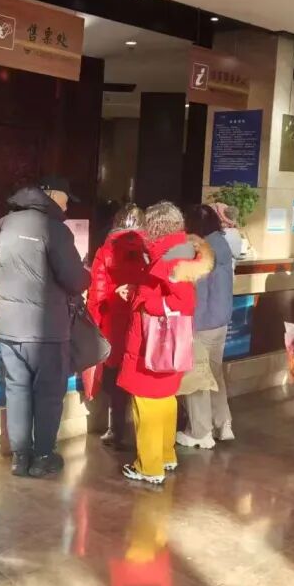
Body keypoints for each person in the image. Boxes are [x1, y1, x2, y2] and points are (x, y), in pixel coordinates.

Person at [0, 176, 90, 479]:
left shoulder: (3, 224)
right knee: (48, 393)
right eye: (65, 200)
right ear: (52, 196)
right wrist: (86, 273)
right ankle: (43, 456)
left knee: (17, 390)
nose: (66, 207)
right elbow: (75, 280)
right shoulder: (55, 229)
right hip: (46, 329)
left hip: (8, 327)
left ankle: (20, 458)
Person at [118, 201, 213, 485]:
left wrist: (145, 302)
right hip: (168, 347)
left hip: (153, 346)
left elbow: (184, 301)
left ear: (156, 228)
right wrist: (138, 290)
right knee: (165, 400)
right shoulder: (179, 252)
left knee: (147, 404)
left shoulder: (169, 259)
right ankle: (165, 455)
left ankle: (149, 467)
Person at [85, 204, 147, 450]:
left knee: (115, 377)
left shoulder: (106, 251)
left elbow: (96, 293)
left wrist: (94, 323)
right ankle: (145, 430)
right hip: (142, 322)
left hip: (113, 323)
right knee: (142, 375)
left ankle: (117, 429)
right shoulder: (148, 250)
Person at [176, 204, 235, 449]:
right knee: (215, 374)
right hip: (221, 321)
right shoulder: (223, 244)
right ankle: (223, 423)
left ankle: (200, 432)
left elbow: (197, 291)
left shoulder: (200, 249)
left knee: (197, 377)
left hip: (202, 323)